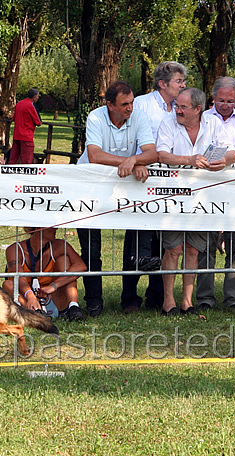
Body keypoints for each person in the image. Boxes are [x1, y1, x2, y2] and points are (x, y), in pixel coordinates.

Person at [76, 80, 157, 317]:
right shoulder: (95, 117)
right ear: (109, 105)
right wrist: (132, 162)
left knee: (133, 245)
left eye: (131, 102)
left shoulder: (139, 117)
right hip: (90, 187)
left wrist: (135, 160)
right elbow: (94, 154)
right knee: (91, 247)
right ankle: (93, 301)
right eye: (124, 104)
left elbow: (152, 152)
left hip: (128, 188)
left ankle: (130, 300)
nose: (130, 108)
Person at [155, 87, 235, 315]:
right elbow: (162, 155)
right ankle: (168, 302)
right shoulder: (168, 124)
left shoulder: (213, 124)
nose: (177, 110)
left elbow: (232, 152)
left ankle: (187, 302)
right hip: (172, 196)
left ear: (198, 109)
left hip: (203, 198)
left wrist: (224, 161)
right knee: (173, 249)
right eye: (176, 106)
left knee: (192, 250)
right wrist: (189, 160)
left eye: (182, 107)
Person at [121, 61, 187, 314]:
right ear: (162, 83)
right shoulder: (142, 104)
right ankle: (129, 297)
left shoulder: (179, 108)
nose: (183, 85)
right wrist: (138, 160)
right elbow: (133, 134)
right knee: (137, 240)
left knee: (164, 240)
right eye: (179, 81)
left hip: (170, 181)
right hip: (141, 176)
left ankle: (157, 295)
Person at [198, 76, 235, 311]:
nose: (226, 105)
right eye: (222, 100)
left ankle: (233, 299)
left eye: (231, 101)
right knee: (206, 245)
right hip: (207, 188)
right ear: (213, 97)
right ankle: (205, 298)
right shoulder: (203, 119)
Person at [2, 227, 87, 321]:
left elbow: (81, 266)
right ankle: (34, 313)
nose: (56, 229)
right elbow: (18, 276)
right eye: (52, 226)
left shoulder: (60, 245)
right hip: (26, 295)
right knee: (7, 284)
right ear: (39, 228)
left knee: (64, 262)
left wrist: (53, 286)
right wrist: (30, 296)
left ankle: (73, 307)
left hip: (50, 295)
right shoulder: (14, 249)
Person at [10, 88, 42, 164]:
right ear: (34, 97)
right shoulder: (31, 105)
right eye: (38, 96)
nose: (38, 97)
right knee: (27, 161)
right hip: (27, 136)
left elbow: (14, 118)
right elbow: (38, 122)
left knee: (13, 159)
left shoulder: (19, 104)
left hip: (17, 135)